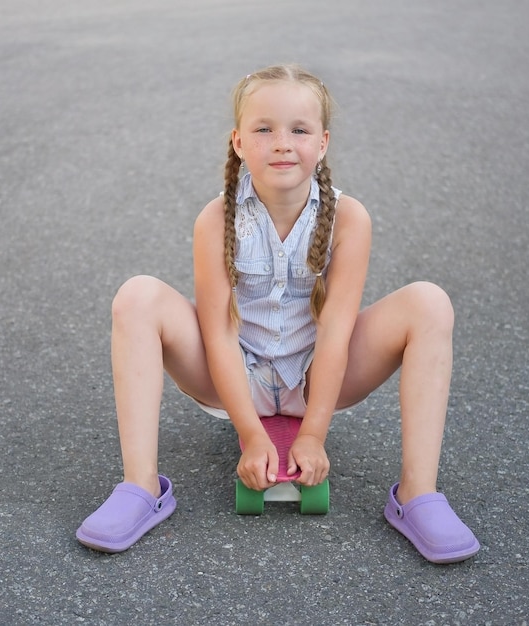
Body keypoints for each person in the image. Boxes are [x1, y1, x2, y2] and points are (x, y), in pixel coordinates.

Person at [76, 63, 480, 563]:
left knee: (429, 302)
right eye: (264, 129)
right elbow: (219, 332)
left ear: (323, 142)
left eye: (299, 130)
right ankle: (139, 489)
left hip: (316, 375)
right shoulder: (216, 218)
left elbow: (336, 331)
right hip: (234, 376)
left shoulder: (349, 219)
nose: (282, 143)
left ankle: (419, 496)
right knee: (137, 295)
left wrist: (312, 433)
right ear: (239, 142)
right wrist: (248, 433)